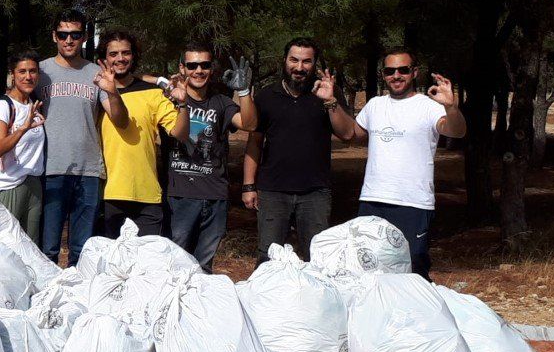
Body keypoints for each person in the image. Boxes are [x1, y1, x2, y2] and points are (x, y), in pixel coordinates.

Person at [338, 47, 466, 278]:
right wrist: (331, 102)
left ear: (414, 72)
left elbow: (456, 131)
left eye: (403, 70)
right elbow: (352, 133)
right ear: (383, 75)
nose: (396, 76)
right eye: (390, 71)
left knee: (412, 268)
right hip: (372, 199)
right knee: (367, 268)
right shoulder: (375, 105)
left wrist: (451, 107)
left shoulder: (429, 106)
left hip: (413, 202)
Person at [243, 37, 358, 261]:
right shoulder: (266, 96)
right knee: (268, 256)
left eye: (306, 61)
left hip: (315, 192)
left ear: (314, 64)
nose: (299, 67)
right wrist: (248, 185)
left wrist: (330, 101)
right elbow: (254, 143)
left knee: (317, 257)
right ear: (284, 60)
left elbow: (347, 134)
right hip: (273, 191)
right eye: (294, 60)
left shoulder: (327, 92)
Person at [38, 10, 129, 264]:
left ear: (84, 37)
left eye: (75, 34)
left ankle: (78, 289)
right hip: (50, 169)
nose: (69, 40)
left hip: (88, 171)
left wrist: (112, 92)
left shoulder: (95, 73)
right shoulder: (40, 72)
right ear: (54, 36)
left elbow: (120, 120)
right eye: (63, 34)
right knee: (48, 249)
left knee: (81, 250)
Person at [164, 41, 258, 272]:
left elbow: (249, 124)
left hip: (215, 194)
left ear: (211, 68)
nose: (199, 70)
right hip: (180, 196)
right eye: (192, 65)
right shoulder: (169, 100)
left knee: (204, 267)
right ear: (182, 68)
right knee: (175, 266)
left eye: (204, 65)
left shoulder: (221, 103)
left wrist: (243, 91)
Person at [96, 30, 190, 238]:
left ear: (134, 56)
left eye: (126, 52)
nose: (120, 58)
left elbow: (181, 134)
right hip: (107, 194)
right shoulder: (97, 94)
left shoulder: (152, 92)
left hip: (147, 194)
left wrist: (183, 104)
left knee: (147, 258)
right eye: (113, 54)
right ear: (104, 59)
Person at [0, 51, 47, 244]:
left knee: (31, 245)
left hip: (33, 183)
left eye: (33, 71)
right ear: (13, 74)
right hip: (7, 184)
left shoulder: (33, 103)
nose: (28, 76)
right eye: (22, 71)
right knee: (7, 245)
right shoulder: (4, 106)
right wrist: (22, 129)